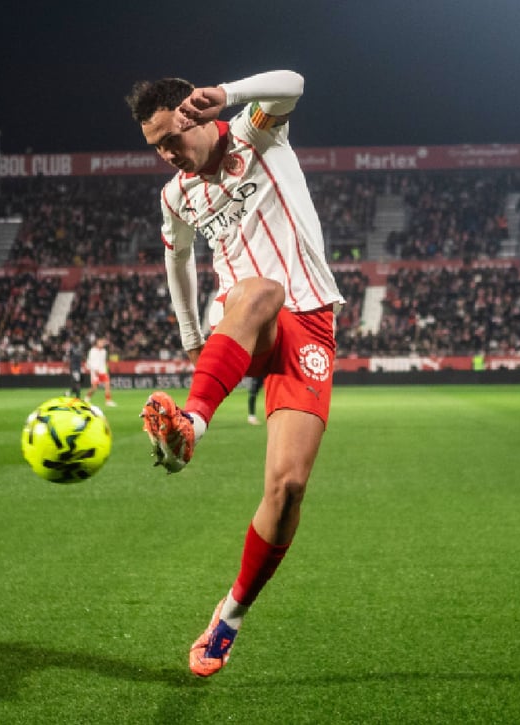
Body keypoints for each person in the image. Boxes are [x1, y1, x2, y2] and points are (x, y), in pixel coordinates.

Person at [126, 69, 345, 677]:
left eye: (172, 138)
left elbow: (296, 82)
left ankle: (231, 613)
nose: (167, 154)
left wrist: (230, 92)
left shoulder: (256, 133)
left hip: (310, 319)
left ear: (194, 114)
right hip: (248, 317)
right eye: (157, 148)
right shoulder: (176, 195)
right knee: (254, 290)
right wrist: (193, 336)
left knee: (287, 488)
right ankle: (191, 426)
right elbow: (179, 261)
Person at [84, 337, 116, 407]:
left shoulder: (104, 351)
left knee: (107, 384)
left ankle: (108, 401)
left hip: (102, 371)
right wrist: (94, 369)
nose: (102, 344)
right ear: (97, 342)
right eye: (100, 342)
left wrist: (106, 370)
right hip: (95, 371)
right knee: (94, 388)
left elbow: (103, 362)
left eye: (103, 342)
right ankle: (87, 398)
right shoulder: (92, 351)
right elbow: (89, 362)